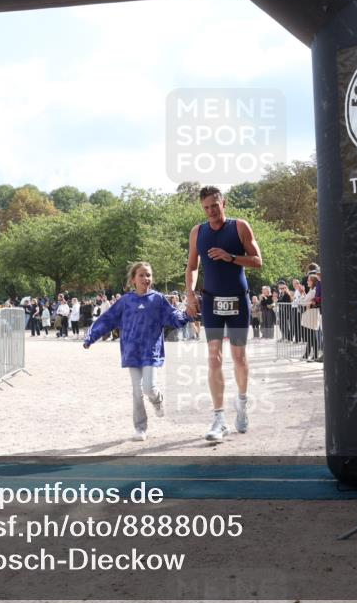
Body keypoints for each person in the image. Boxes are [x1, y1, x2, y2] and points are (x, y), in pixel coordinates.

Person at [185, 186, 263, 442]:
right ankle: (218, 418)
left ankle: (241, 401)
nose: (211, 211)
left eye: (214, 206)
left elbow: (257, 260)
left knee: (239, 357)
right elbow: (192, 266)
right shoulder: (198, 232)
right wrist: (190, 293)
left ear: (224, 203)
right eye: (206, 207)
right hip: (211, 300)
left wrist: (231, 257)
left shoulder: (239, 226)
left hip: (238, 300)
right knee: (213, 358)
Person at [84, 262, 189, 441]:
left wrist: (187, 315)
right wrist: (91, 336)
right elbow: (107, 319)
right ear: (133, 279)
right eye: (141, 275)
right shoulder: (125, 301)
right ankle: (140, 428)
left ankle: (157, 400)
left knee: (148, 387)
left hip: (151, 350)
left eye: (148, 275)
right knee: (136, 390)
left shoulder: (158, 299)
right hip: (131, 351)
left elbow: (173, 316)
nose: (145, 279)